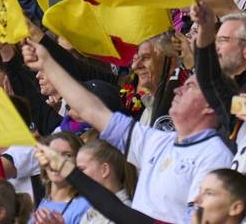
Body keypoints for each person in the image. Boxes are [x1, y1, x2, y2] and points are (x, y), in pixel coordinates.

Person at [25, 38, 234, 224]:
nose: (178, 89)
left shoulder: (214, 155)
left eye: (189, 87)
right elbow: (93, 110)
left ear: (210, 105)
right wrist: (47, 63)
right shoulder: (158, 141)